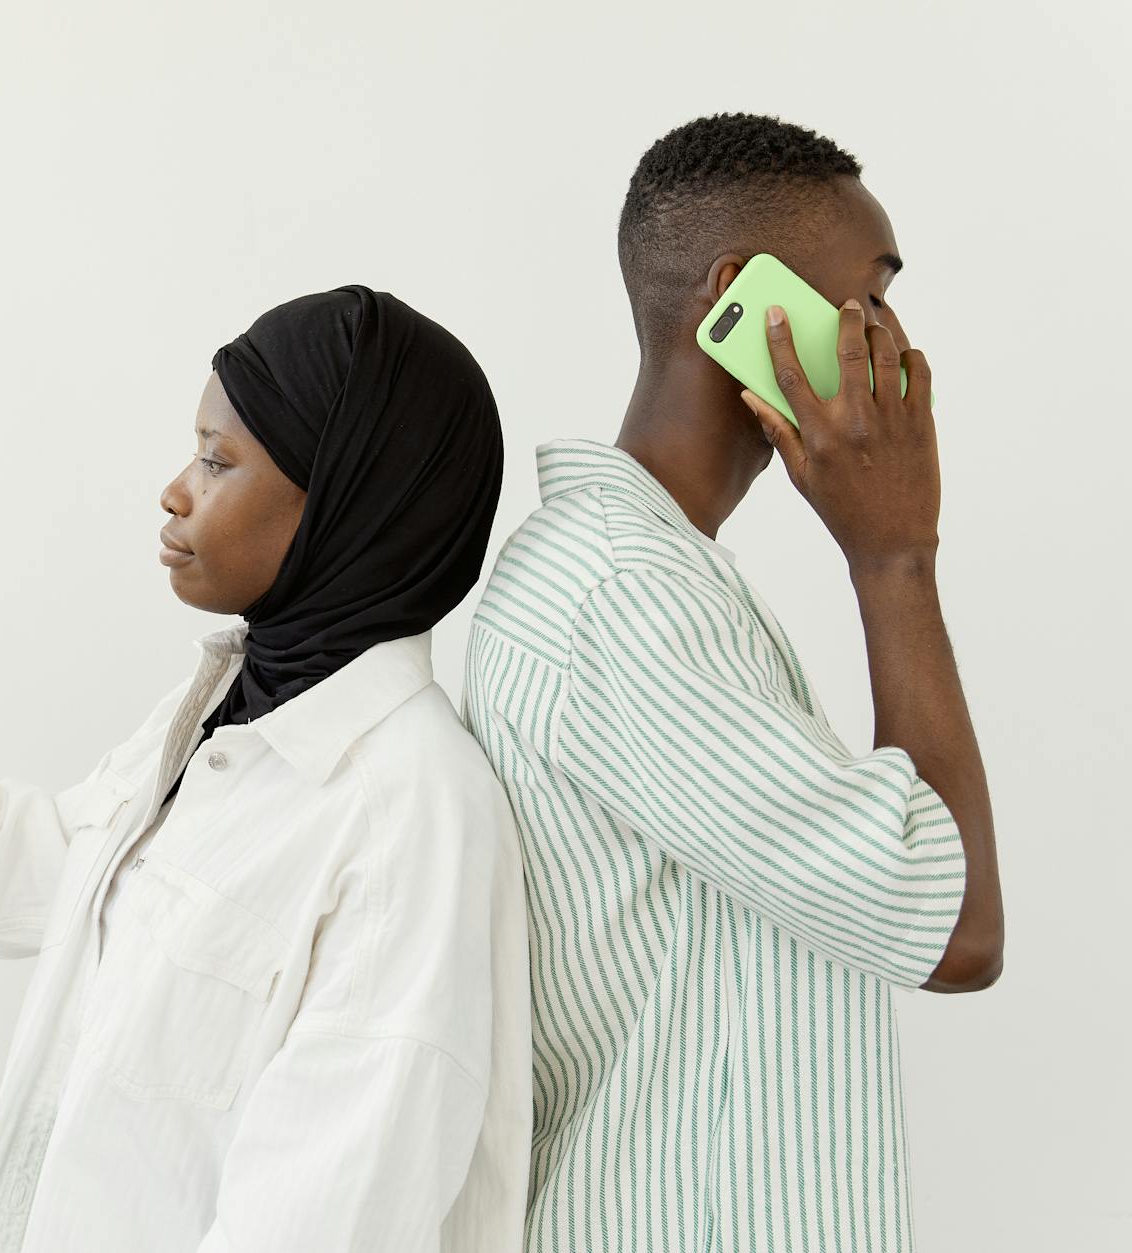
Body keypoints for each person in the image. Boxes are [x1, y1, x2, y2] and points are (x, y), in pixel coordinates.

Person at [0, 285, 532, 1252]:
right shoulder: (227, 709)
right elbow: (41, 867)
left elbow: (331, 1220)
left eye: (218, 462)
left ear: (345, 501)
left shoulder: (412, 814)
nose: (175, 489)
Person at [460, 114, 1004, 1251]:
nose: (892, 339)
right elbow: (954, 928)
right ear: (739, 300)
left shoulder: (640, 574)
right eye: (867, 294)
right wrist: (893, 554)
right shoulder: (624, 595)